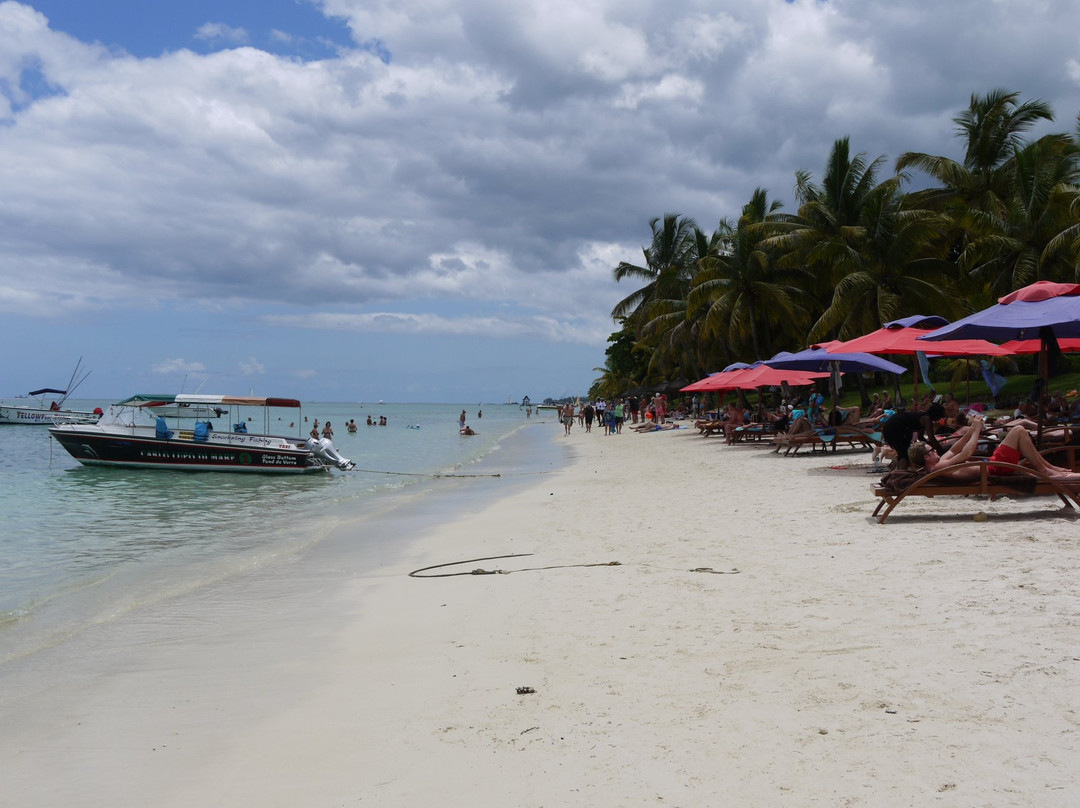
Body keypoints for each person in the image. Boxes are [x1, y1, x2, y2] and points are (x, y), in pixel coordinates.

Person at [907, 415, 1080, 482]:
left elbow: (955, 449)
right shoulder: (937, 467)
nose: (935, 451)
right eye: (932, 451)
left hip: (991, 465)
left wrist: (971, 430)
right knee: (1018, 430)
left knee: (1019, 431)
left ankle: (1049, 468)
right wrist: (976, 430)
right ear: (925, 458)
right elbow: (966, 453)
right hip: (994, 467)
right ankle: (1047, 470)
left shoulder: (937, 465)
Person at [880, 403, 946, 469]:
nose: (939, 420)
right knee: (905, 454)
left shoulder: (921, 416)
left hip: (890, 427)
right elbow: (932, 438)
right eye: (940, 417)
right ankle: (902, 474)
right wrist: (941, 451)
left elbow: (920, 437)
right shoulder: (927, 419)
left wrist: (929, 446)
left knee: (902, 453)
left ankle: (899, 472)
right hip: (896, 428)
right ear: (936, 415)